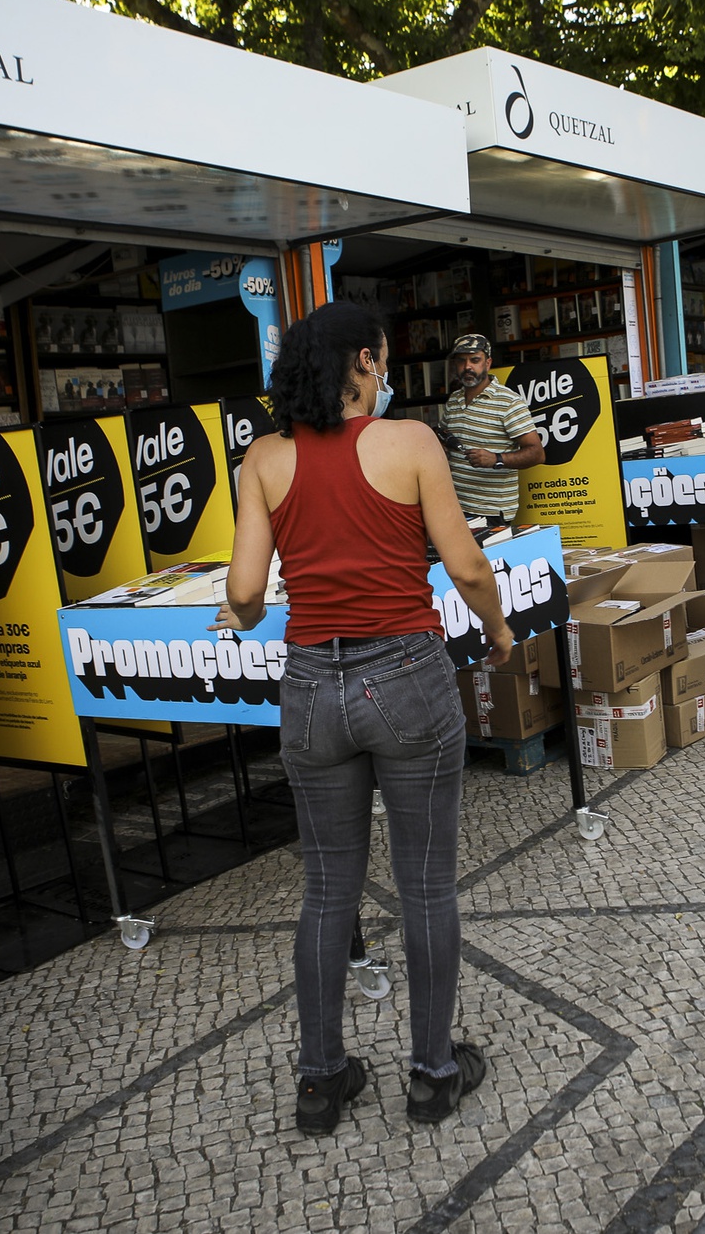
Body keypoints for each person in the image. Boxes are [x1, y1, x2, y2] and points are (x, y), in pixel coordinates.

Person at [218, 301, 514, 1136]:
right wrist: (495, 633)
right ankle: (432, 1073)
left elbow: (244, 595)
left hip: (312, 686)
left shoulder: (263, 459)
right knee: (424, 886)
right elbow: (464, 563)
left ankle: (320, 1081)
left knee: (325, 891)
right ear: (359, 362)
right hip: (409, 676)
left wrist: (241, 621)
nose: (386, 373)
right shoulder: (412, 441)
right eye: (381, 360)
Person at [439, 334, 544, 521]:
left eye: (475, 360)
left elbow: (537, 453)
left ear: (487, 363)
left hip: (493, 512)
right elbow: (444, 436)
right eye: (461, 361)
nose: (467, 367)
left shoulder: (509, 402)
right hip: (455, 506)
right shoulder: (454, 400)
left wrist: (496, 459)